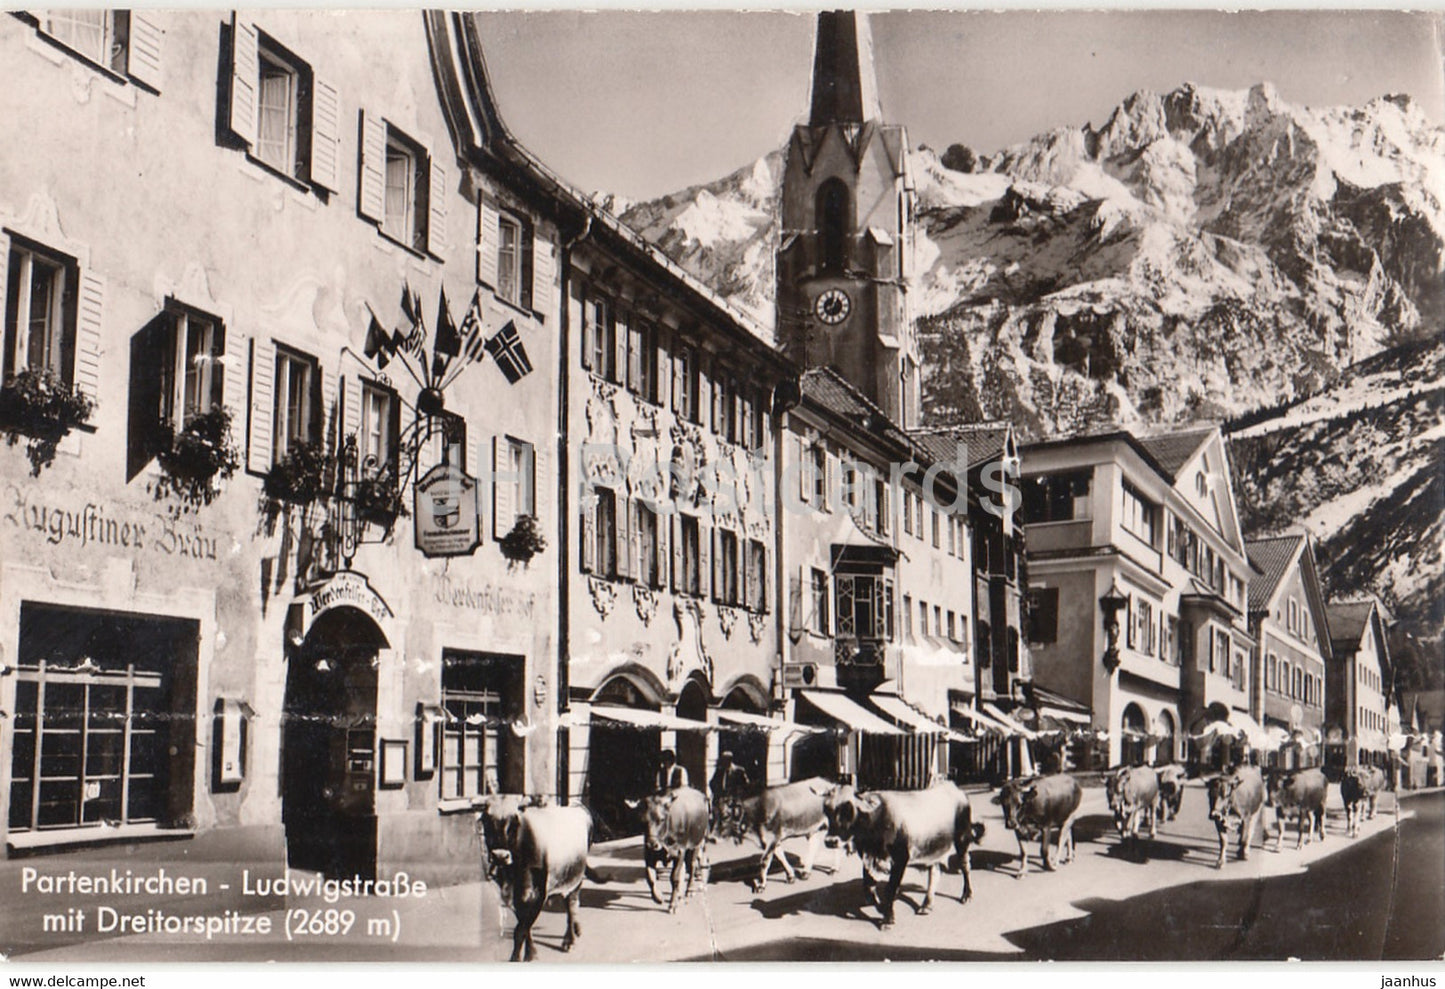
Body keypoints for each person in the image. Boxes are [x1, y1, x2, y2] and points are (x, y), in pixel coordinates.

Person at [708, 750, 750, 833]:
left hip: (734, 797)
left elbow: (746, 784)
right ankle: (720, 830)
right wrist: (717, 791)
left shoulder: (739, 771)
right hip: (721, 797)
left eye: (725, 760)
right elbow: (712, 782)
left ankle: (736, 830)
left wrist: (738, 794)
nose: (723, 762)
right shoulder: (719, 770)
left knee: (735, 814)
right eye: (722, 760)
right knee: (718, 813)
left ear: (730, 760)